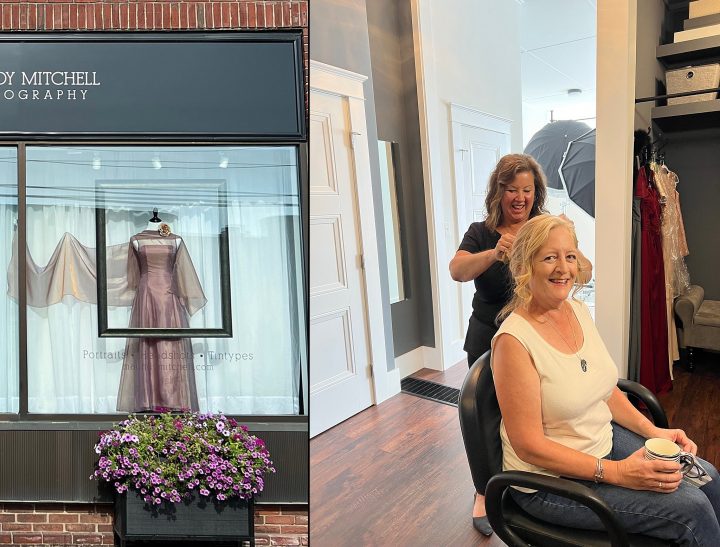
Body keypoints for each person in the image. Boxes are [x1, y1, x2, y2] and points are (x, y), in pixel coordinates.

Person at [491, 214, 720, 545]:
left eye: (569, 256)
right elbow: (529, 445)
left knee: (707, 478)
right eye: (549, 257)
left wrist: (655, 431)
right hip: (548, 482)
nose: (563, 268)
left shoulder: (578, 311)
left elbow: (605, 390)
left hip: (599, 437)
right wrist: (618, 473)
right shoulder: (513, 342)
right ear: (526, 265)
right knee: (693, 510)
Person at [450, 153, 553, 535]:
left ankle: (529, 484)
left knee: (529, 417)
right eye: (512, 189)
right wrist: (494, 253)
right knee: (485, 420)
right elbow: (457, 270)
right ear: (499, 191)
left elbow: (578, 268)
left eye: (527, 190)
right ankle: (483, 490)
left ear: (535, 193)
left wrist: (563, 244)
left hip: (533, 343)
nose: (520, 197)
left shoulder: (543, 227)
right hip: (487, 340)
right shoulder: (481, 232)